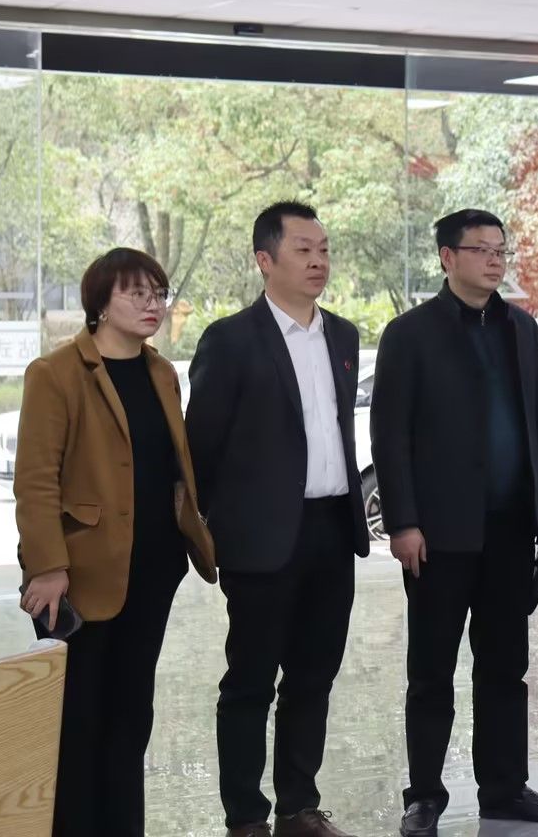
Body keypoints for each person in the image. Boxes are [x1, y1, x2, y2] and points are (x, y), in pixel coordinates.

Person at [371, 209, 538, 835]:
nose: (494, 260)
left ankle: (504, 788)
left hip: (511, 527)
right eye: (481, 249)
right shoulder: (410, 333)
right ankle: (424, 796)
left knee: (505, 667)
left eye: (500, 250)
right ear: (447, 257)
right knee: (432, 670)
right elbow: (390, 436)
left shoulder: (521, 327)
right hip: (439, 533)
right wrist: (403, 523)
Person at [14, 248, 216, 837]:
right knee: (78, 721)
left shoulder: (161, 373)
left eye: (159, 294)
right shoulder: (55, 374)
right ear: (100, 303)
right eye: (137, 293)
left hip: (153, 567)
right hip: (80, 573)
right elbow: (36, 480)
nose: (153, 305)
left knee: (132, 717)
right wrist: (47, 567)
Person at [187, 202, 370, 837]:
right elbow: (201, 447)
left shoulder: (343, 336)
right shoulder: (230, 340)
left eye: (324, 249)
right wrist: (222, 526)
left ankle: (299, 807)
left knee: (313, 678)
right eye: (303, 249)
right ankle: (245, 816)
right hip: (260, 540)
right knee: (250, 682)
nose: (318, 261)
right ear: (265, 260)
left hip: (332, 530)